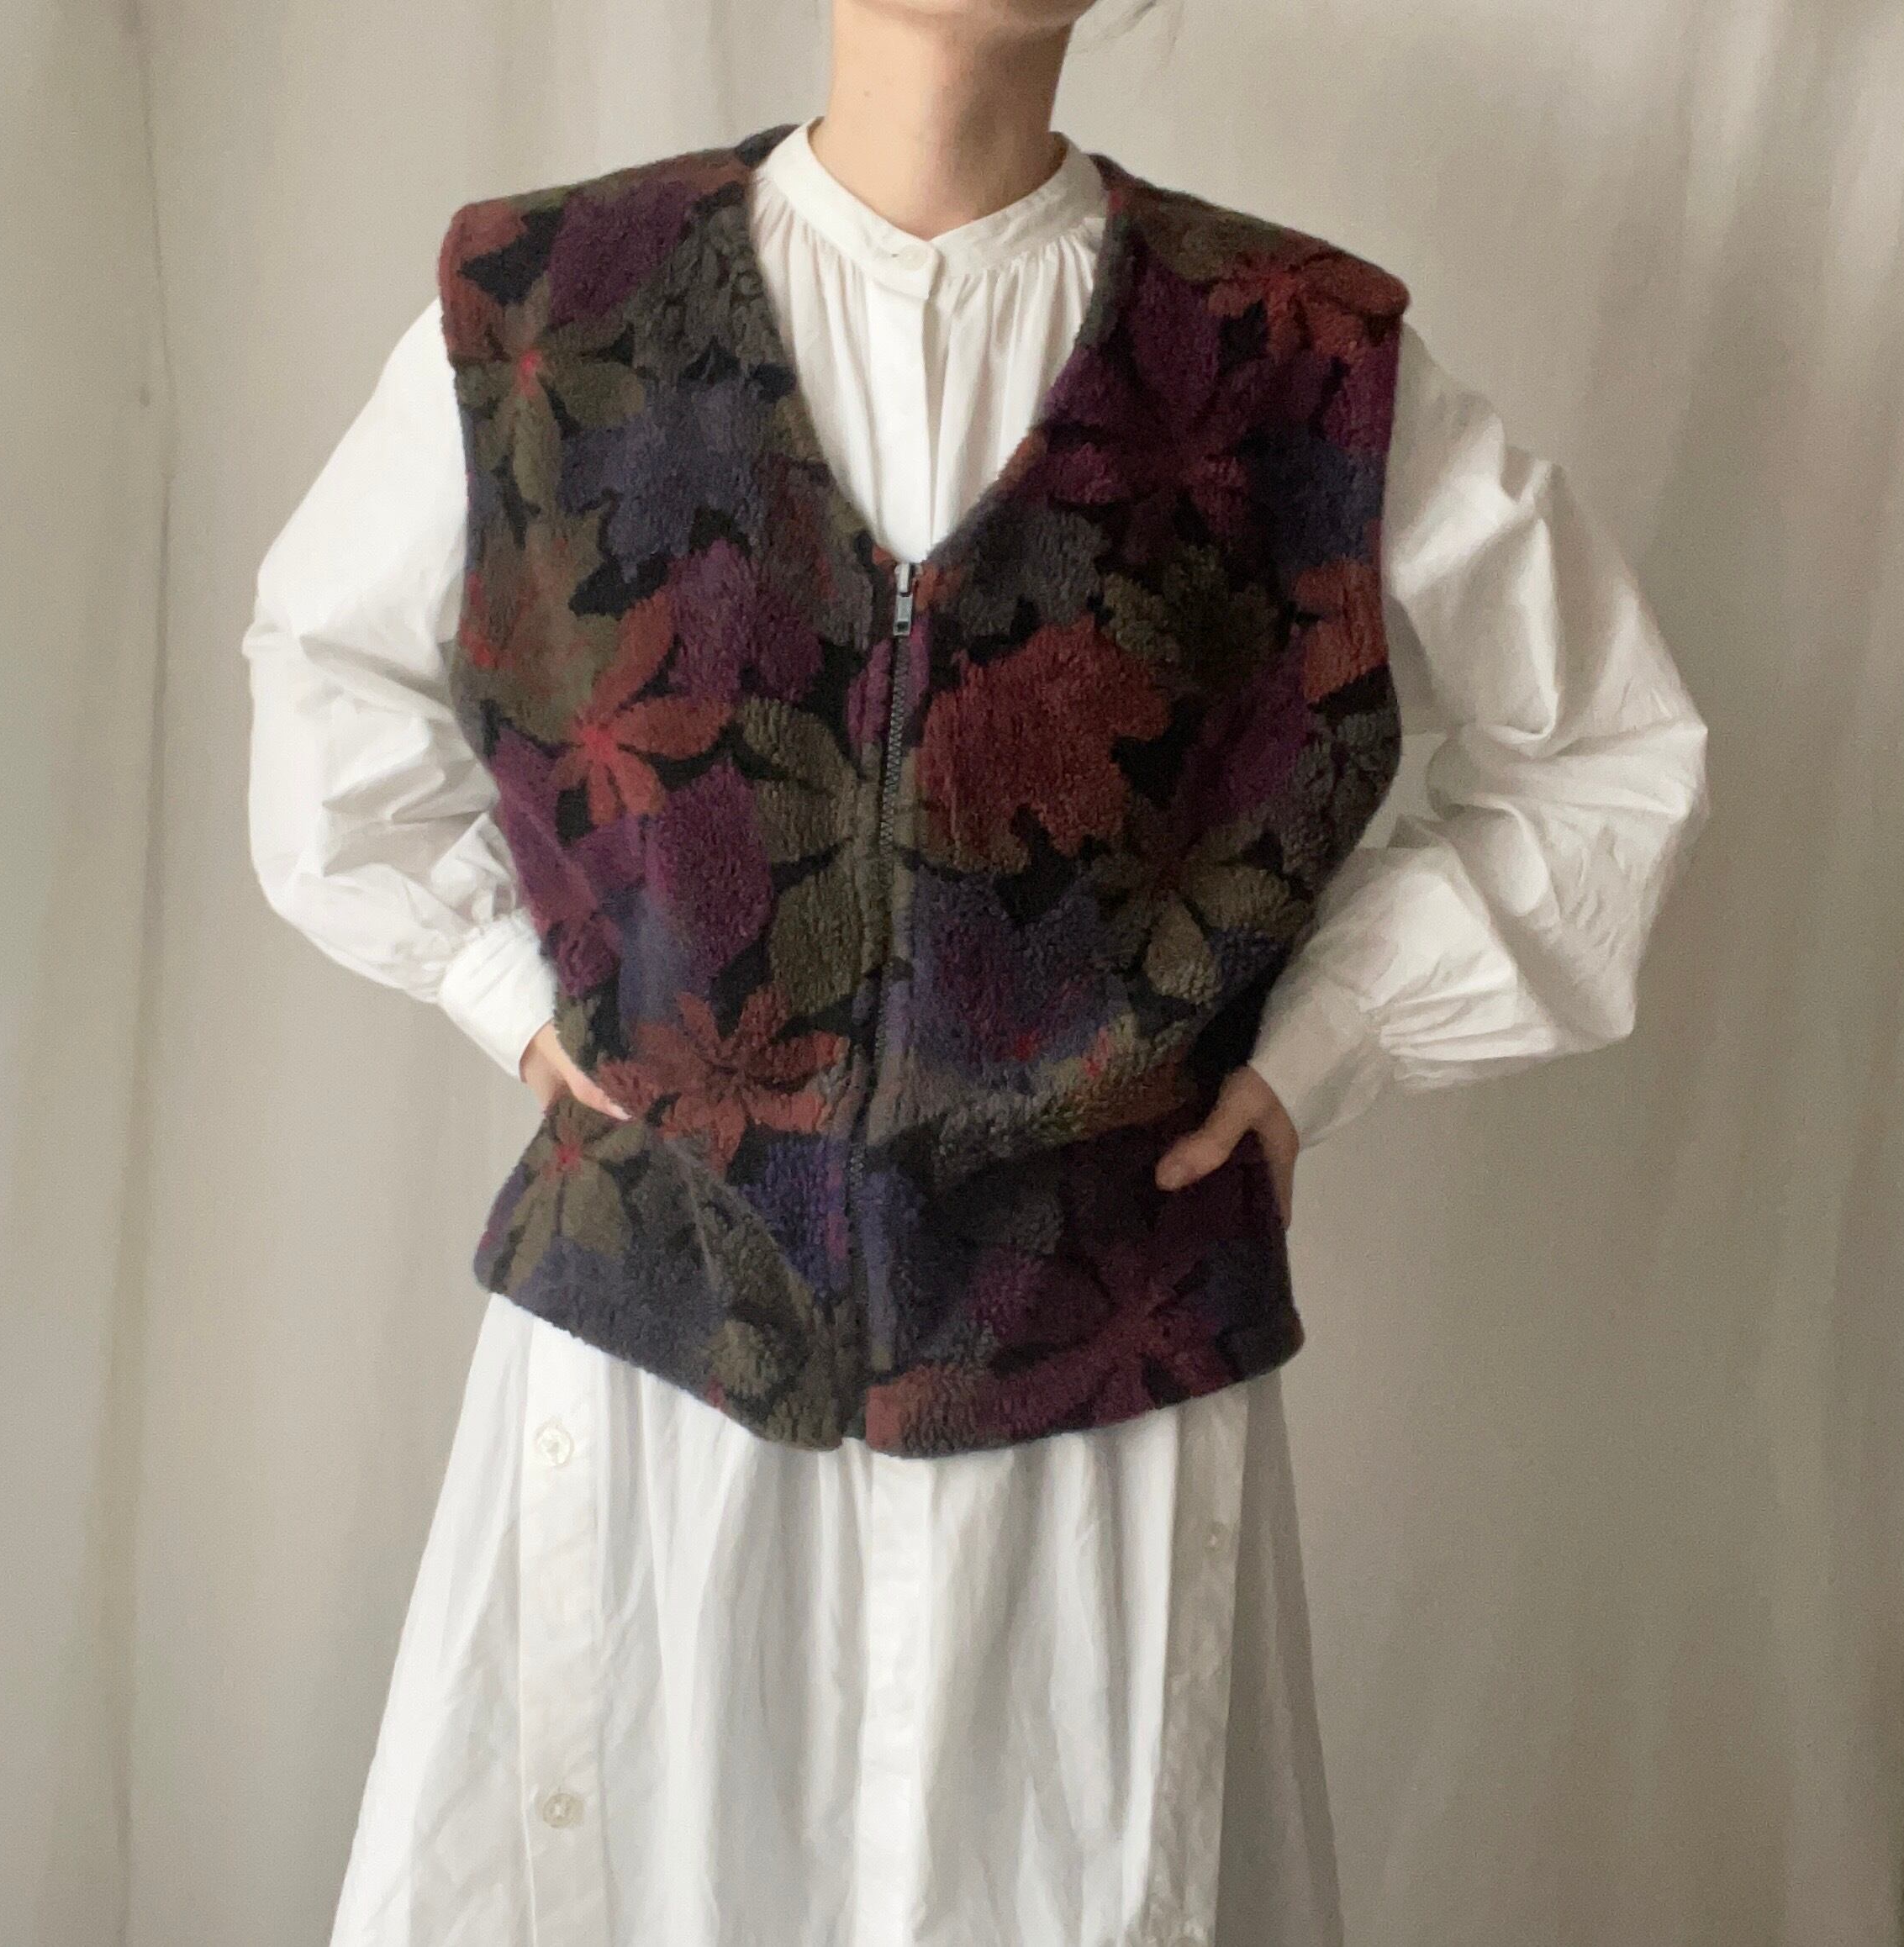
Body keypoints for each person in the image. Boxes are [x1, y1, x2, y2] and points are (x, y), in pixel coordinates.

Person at [241, 4, 1710, 1941]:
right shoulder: (554, 309)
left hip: (1092, 1380)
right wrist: (507, 991)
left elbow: (1602, 753)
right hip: (663, 1344)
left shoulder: (1291, 360)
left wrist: (1323, 1051)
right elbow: (328, 680)